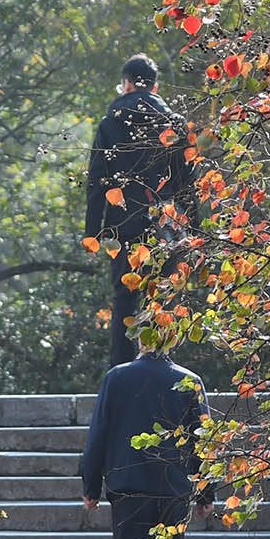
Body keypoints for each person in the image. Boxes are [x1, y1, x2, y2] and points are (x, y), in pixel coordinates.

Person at [79, 334, 205, 539]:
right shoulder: (189, 381)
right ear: (172, 340)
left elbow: (98, 435)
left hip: (128, 489)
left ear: (140, 340)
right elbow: (202, 440)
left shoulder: (117, 378)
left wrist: (91, 485)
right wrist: (208, 491)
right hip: (173, 491)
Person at [82, 53, 197, 368]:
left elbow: (97, 181)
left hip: (123, 224)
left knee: (125, 298)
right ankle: (161, 367)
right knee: (163, 296)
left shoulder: (110, 124)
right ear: (155, 87)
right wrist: (196, 227)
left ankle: (120, 370)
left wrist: (92, 231)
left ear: (127, 84)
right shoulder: (174, 124)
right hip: (167, 222)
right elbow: (188, 179)